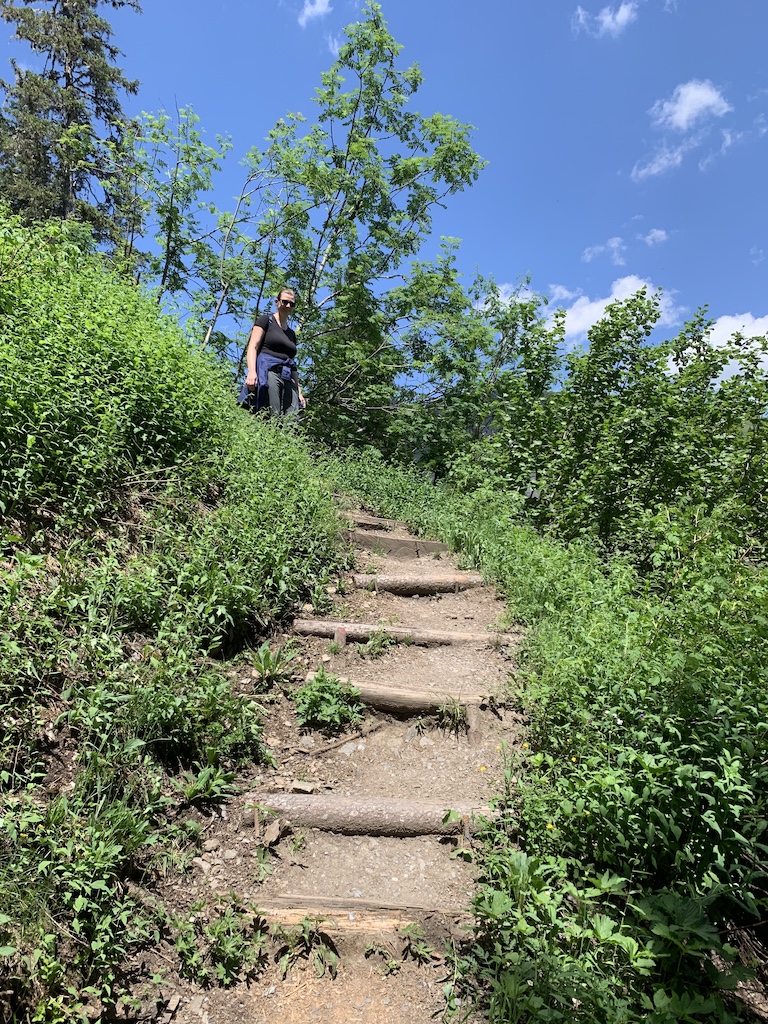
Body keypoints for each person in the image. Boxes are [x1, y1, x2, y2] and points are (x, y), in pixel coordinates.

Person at [240, 288, 306, 415]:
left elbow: (292, 363)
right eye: (285, 302)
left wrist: (299, 391)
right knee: (272, 412)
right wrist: (252, 372)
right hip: (269, 371)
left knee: (292, 418)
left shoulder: (291, 334)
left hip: (288, 376)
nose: (288, 306)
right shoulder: (266, 321)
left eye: (292, 304)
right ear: (277, 301)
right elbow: (252, 347)